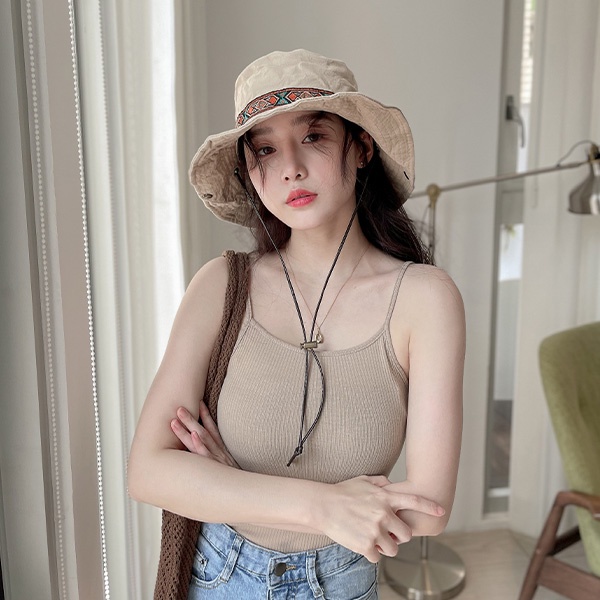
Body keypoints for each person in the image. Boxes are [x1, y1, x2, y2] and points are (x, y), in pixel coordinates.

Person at [128, 49, 465, 600]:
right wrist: (323, 505)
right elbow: (147, 471)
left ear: (361, 147)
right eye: (265, 149)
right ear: (249, 170)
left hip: (340, 584)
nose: (290, 167)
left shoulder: (424, 299)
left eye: (313, 136)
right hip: (216, 578)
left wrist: (229, 486)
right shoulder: (222, 285)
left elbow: (428, 509)